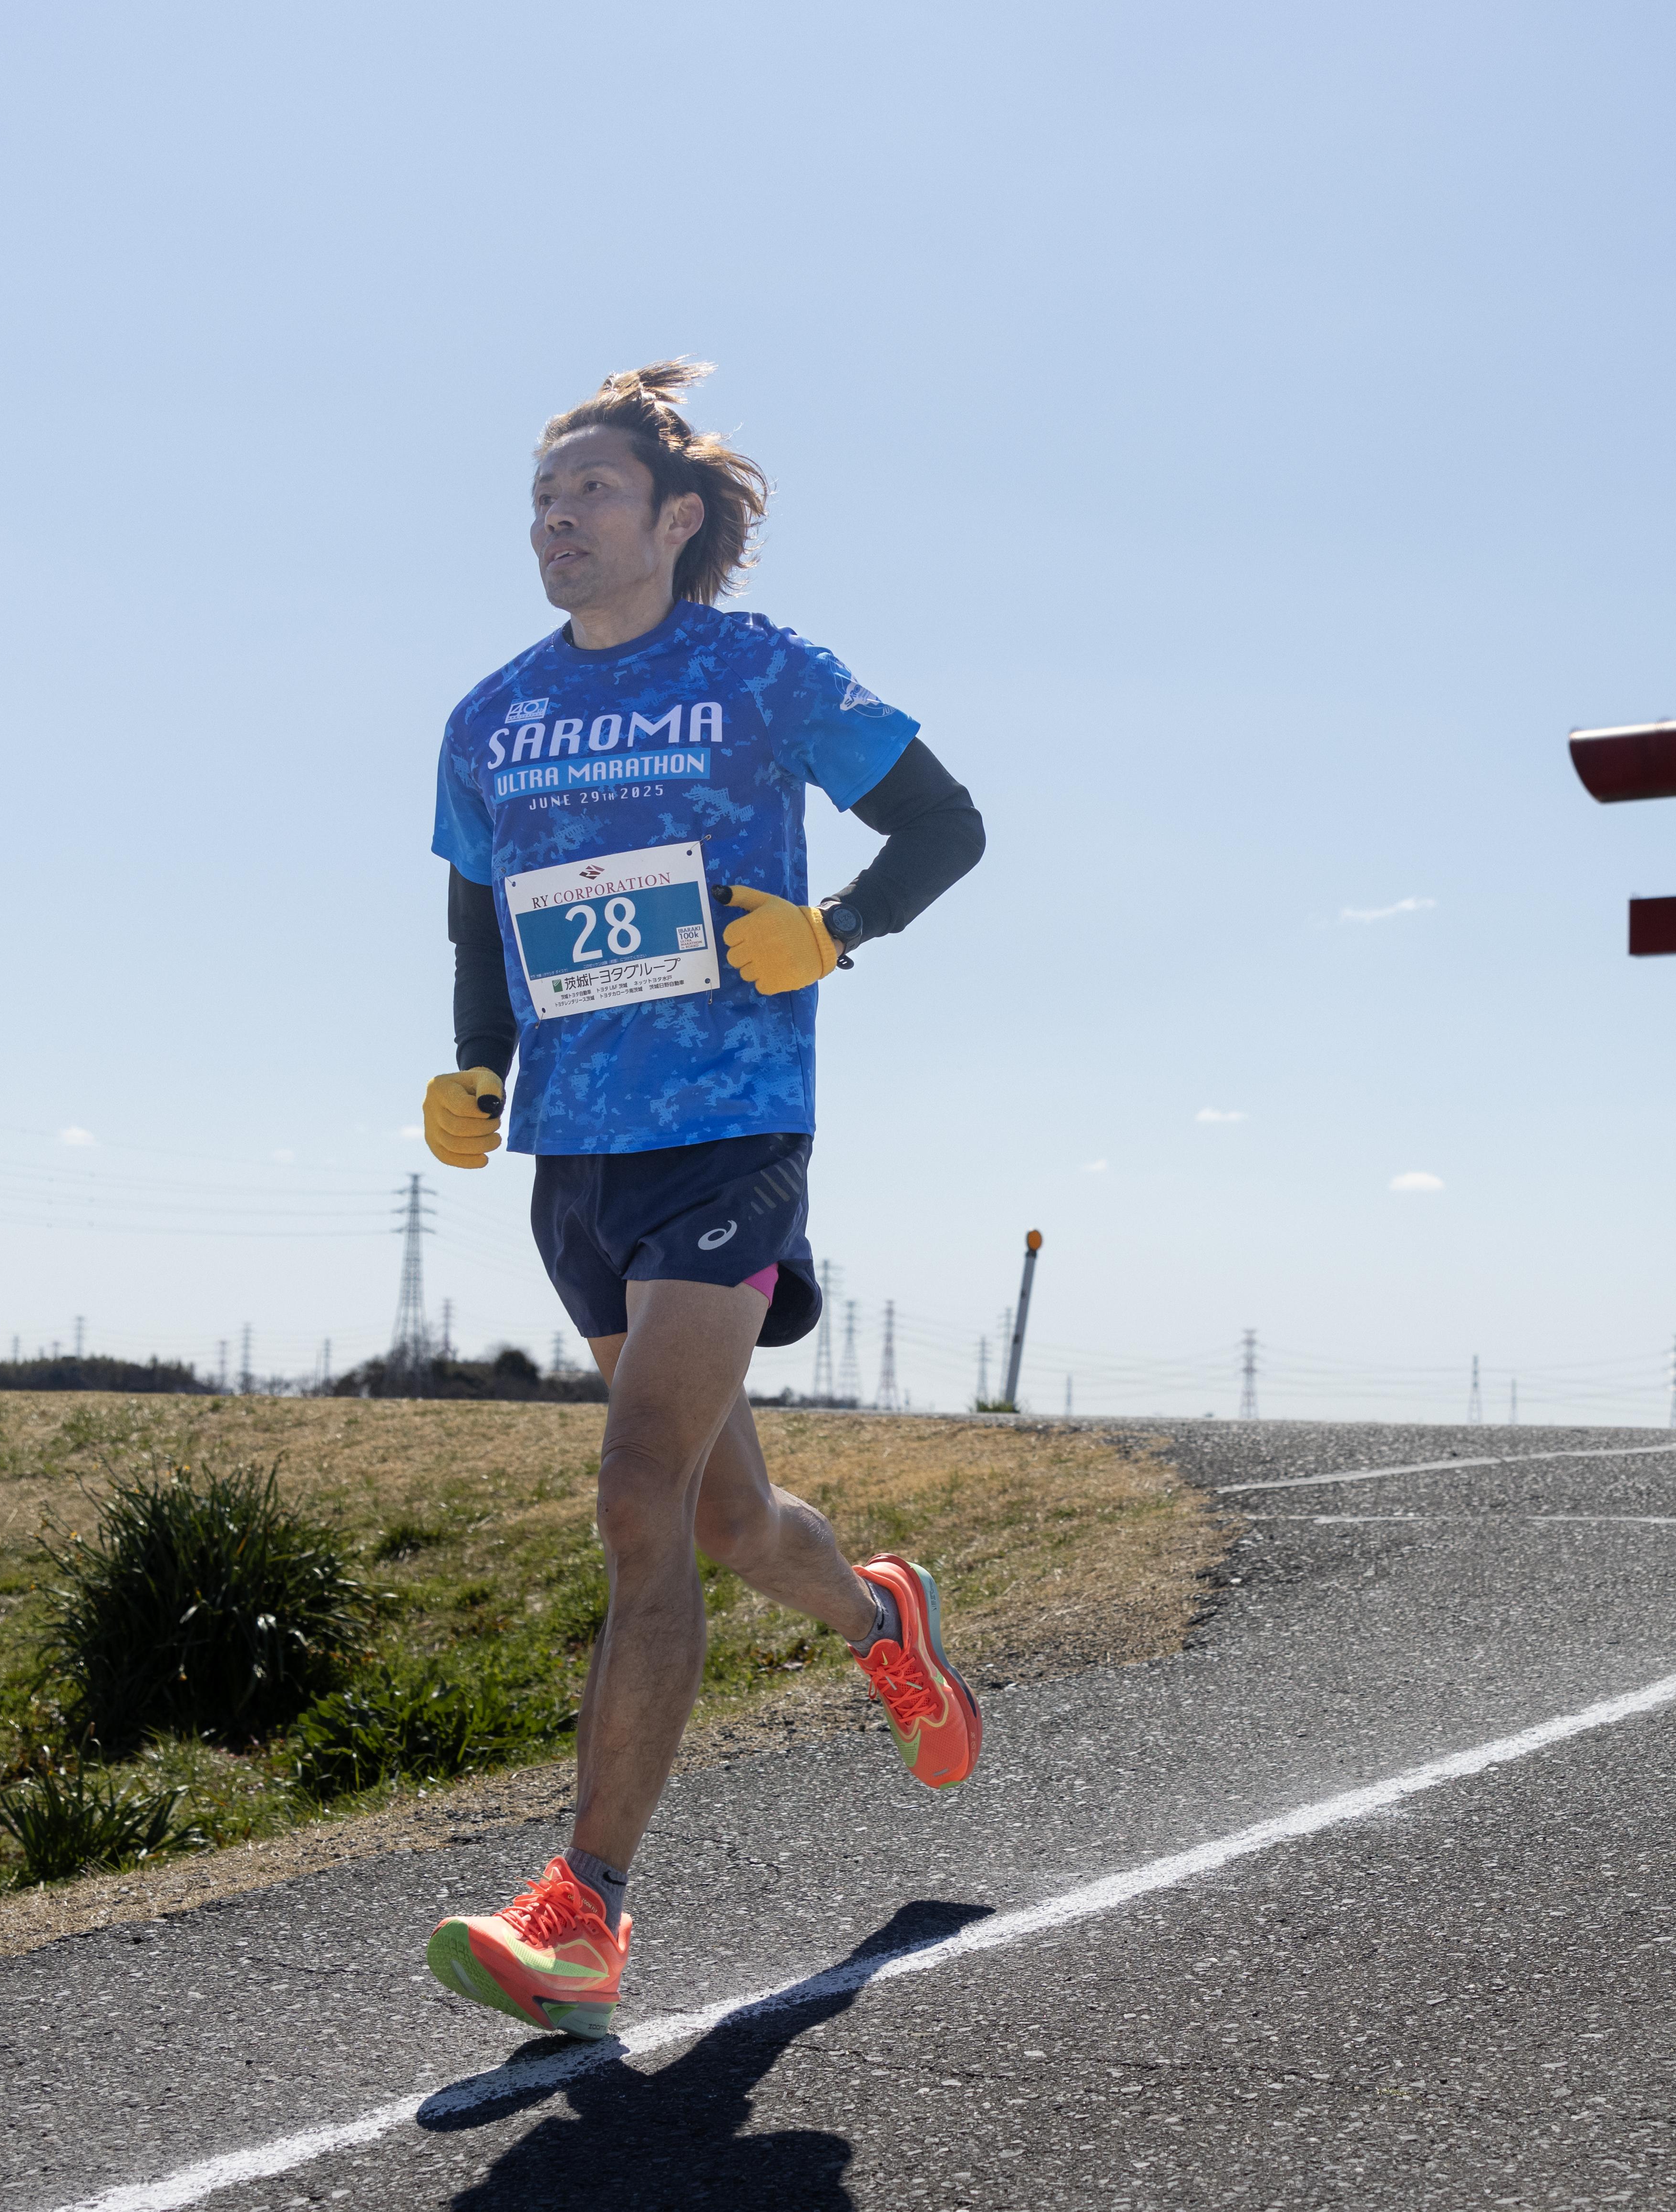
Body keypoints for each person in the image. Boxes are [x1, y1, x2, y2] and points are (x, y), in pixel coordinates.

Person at [417, 361, 988, 2041]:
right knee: (731, 1526)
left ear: (677, 521)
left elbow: (946, 824)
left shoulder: (765, 675)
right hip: (576, 1160)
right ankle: (888, 1617)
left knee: (636, 1492)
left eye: (588, 495)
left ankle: (580, 1913)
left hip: (733, 1132)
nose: (556, 524)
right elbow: (482, 918)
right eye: (540, 502)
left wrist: (841, 931)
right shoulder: (491, 716)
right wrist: (473, 1071)